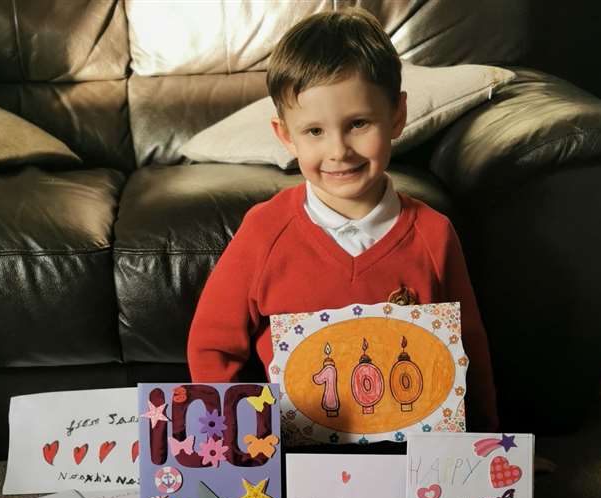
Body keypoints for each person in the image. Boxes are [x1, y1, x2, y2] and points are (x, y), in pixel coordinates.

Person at [186, 8, 499, 429]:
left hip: (412, 463)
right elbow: (212, 346)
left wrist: (490, 444)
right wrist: (230, 442)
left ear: (397, 117)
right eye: (314, 131)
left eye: (358, 124)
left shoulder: (433, 234)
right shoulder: (264, 231)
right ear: (285, 136)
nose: (338, 150)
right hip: (294, 463)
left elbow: (468, 350)